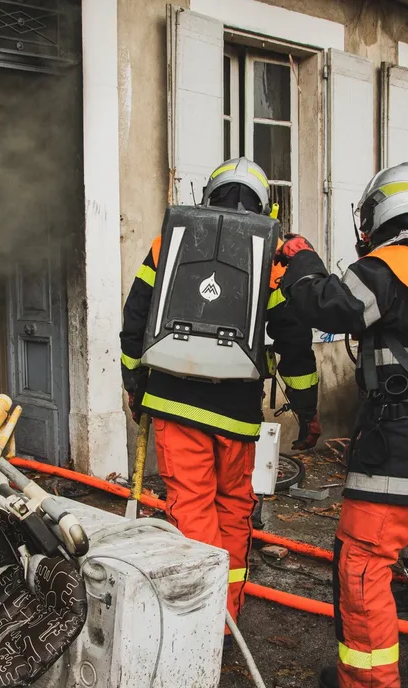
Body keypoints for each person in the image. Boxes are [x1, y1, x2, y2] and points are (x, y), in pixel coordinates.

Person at [277, 163, 408, 688]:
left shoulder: (394, 263)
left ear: (379, 214)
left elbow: (325, 304)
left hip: (397, 452)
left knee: (363, 563)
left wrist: (300, 260)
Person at [119, 157, 320, 633]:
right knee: (233, 509)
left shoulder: (168, 242)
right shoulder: (270, 256)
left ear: (209, 195)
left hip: (173, 405)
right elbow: (293, 342)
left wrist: (135, 386)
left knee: (192, 510)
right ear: (264, 204)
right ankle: (225, 619)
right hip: (236, 416)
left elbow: (135, 321)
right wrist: (307, 410)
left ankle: (198, 624)